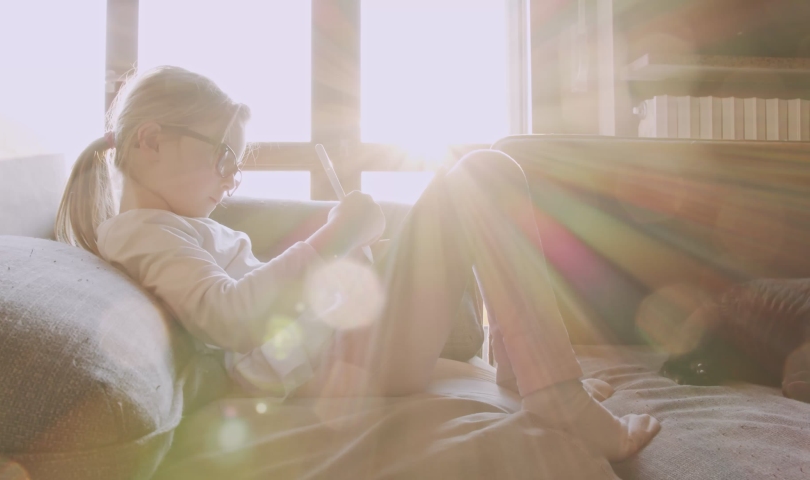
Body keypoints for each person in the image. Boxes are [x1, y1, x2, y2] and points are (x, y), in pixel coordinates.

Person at [56, 65, 660, 461]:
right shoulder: (142, 233)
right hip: (347, 361)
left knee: (472, 196)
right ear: (151, 141)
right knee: (484, 176)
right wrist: (332, 240)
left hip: (343, 346)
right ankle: (554, 391)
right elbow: (229, 318)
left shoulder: (174, 228)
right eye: (223, 158)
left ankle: (525, 371)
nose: (232, 179)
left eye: (236, 164)